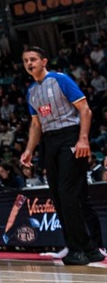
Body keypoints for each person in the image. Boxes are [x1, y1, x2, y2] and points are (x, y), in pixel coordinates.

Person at [19, 46, 102, 266]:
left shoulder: (60, 80)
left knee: (68, 194)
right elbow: (36, 124)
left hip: (71, 137)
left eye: (34, 59)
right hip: (50, 141)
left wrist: (83, 139)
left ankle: (79, 249)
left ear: (44, 61)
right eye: (26, 60)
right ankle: (89, 248)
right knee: (59, 196)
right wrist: (29, 150)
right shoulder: (31, 91)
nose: (30, 63)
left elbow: (85, 110)